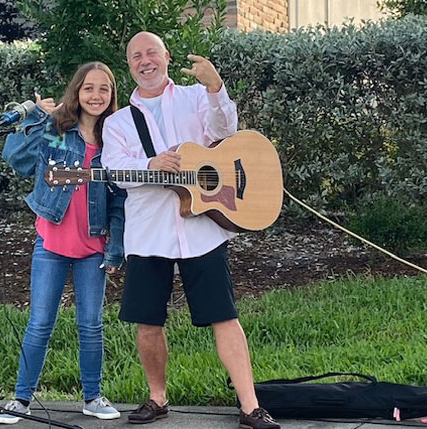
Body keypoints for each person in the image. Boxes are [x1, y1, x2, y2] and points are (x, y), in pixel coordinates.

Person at [101, 32, 280, 429]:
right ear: (128, 64)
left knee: (224, 316)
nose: (144, 61)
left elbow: (224, 129)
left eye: (151, 53)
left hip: (204, 228)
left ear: (166, 56)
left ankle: (251, 406)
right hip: (149, 232)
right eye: (135, 56)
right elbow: (113, 169)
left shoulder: (195, 97)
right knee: (148, 320)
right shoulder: (118, 122)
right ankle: (157, 398)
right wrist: (151, 165)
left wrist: (215, 87)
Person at [0, 61, 125, 424]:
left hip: (93, 248)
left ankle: (93, 396)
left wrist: (115, 247)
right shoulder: (58, 131)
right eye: (89, 88)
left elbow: (118, 201)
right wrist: (39, 115)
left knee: (91, 324)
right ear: (77, 92)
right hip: (51, 242)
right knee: (39, 322)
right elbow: (17, 158)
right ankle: (21, 399)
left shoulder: (115, 142)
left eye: (104, 89)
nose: (96, 95)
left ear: (111, 95)